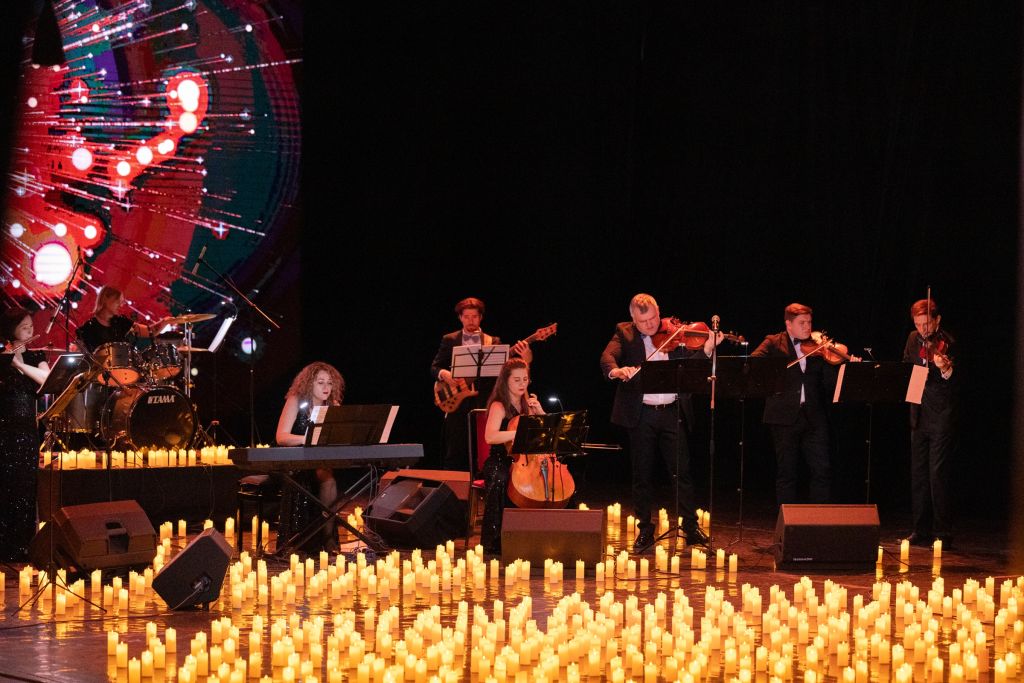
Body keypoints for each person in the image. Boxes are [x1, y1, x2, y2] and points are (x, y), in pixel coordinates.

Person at [599, 293, 718, 553]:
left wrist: (708, 349)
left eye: (653, 318)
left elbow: (693, 369)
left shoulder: (675, 333)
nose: (651, 325)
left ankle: (690, 527)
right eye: (643, 322)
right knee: (642, 474)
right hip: (641, 415)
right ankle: (645, 529)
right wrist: (616, 371)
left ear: (658, 312)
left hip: (672, 412)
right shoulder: (624, 333)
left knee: (682, 472)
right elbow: (607, 357)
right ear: (633, 319)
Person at [751, 302, 855, 506]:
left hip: (814, 417)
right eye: (802, 323)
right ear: (788, 324)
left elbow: (829, 384)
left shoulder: (818, 347)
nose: (807, 327)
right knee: (787, 472)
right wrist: (777, 369)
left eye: (809, 322)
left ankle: (818, 519)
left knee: (822, 470)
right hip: (783, 417)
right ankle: (786, 520)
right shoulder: (773, 342)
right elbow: (754, 363)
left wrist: (844, 365)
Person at [430, 297, 531, 472]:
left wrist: (525, 358)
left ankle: (483, 482)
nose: (471, 320)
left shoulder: (494, 341)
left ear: (481, 317)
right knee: (455, 448)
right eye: (466, 316)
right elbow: (434, 367)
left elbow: (504, 372)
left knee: (483, 448)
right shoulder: (450, 339)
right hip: (458, 403)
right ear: (460, 317)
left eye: (474, 316)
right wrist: (444, 373)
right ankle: (452, 486)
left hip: (485, 401)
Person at [902, 299, 959, 548]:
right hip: (918, 413)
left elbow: (954, 377)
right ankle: (920, 529)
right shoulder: (912, 338)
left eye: (926, 324)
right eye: (918, 324)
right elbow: (907, 366)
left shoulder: (948, 341)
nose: (922, 329)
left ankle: (943, 532)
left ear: (937, 320)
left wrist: (944, 368)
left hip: (941, 414)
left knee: (937, 474)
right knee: (918, 474)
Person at [274, 361, 346, 553]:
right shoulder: (296, 401)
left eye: (329, 383)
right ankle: (299, 542)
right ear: (309, 384)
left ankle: (328, 539)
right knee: (312, 475)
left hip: (319, 460)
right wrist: (307, 438)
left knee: (328, 478)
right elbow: (281, 437)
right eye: (320, 382)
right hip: (293, 459)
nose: (326, 387)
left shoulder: (333, 405)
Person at [0, 307, 50, 562]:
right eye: (24, 327)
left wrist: (19, 364)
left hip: (28, 432)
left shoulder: (35, 355)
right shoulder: (1, 359)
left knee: (26, 487)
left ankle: (23, 545)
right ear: (12, 330)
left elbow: (46, 379)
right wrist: (8, 360)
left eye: (31, 326)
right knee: (5, 486)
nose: (30, 330)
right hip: (4, 431)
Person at [479, 357, 544, 553]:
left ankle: (537, 534)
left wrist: (540, 412)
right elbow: (490, 437)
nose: (522, 384)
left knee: (547, 479)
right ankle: (495, 540)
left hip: (526, 461)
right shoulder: (499, 406)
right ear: (505, 380)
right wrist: (518, 433)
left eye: (525, 379)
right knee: (501, 479)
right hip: (499, 460)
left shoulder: (528, 404)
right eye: (517, 380)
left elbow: (543, 434)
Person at [75, 285, 173, 352]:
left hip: (123, 373)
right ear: (106, 299)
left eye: (122, 302)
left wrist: (166, 321)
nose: (121, 305)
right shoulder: (88, 327)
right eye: (118, 301)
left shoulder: (121, 321)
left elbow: (150, 331)